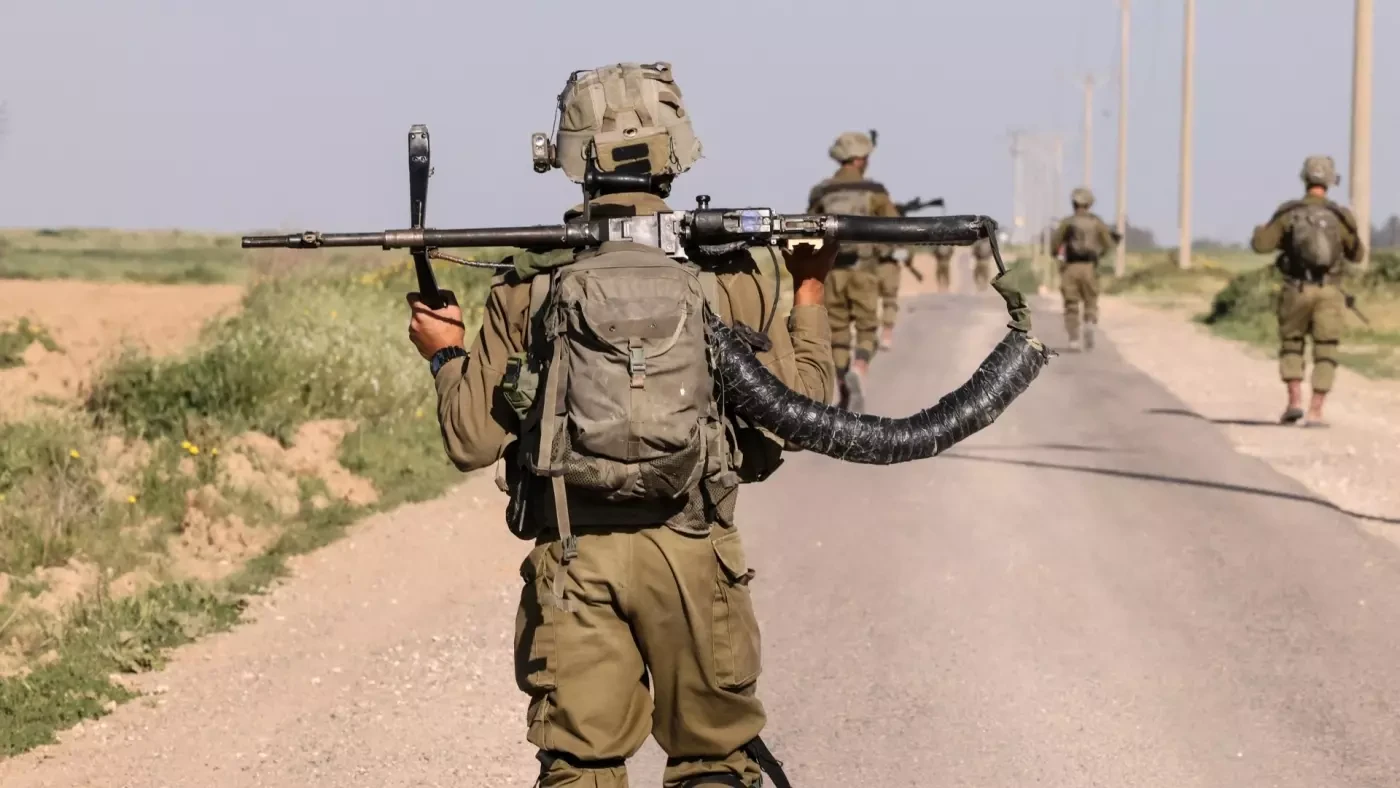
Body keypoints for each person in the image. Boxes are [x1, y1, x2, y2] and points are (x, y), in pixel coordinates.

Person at [405, 61, 833, 788]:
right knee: (712, 764)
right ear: (678, 149)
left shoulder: (530, 282)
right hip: (697, 552)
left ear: (567, 155)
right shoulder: (734, 276)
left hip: (575, 561)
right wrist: (811, 288)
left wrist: (446, 355)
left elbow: (470, 438)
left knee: (580, 768)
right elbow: (802, 416)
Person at [1250, 155, 1365, 426]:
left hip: (1296, 289)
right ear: (1330, 181)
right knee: (1326, 348)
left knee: (1292, 344)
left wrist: (1260, 231)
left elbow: (1262, 245)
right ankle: (1316, 410)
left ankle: (1293, 402)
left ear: (1304, 178)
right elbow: (1357, 255)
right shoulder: (1340, 216)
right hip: (1329, 291)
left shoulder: (1289, 212)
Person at [807, 130, 901, 411]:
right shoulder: (875, 192)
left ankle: (844, 389)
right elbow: (893, 228)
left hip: (832, 273)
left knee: (837, 334)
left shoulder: (822, 192)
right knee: (867, 329)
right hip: (864, 272)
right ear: (860, 160)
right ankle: (859, 368)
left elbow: (809, 228)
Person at [1050, 188, 1118, 352]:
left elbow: (1055, 244)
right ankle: (1089, 322)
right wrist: (1098, 257)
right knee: (1091, 300)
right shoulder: (1097, 223)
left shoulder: (1068, 222)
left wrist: (1058, 257)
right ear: (1090, 204)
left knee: (1071, 303)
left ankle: (1074, 339)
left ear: (1073, 203)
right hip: (1090, 267)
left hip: (1071, 267)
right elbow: (1109, 245)